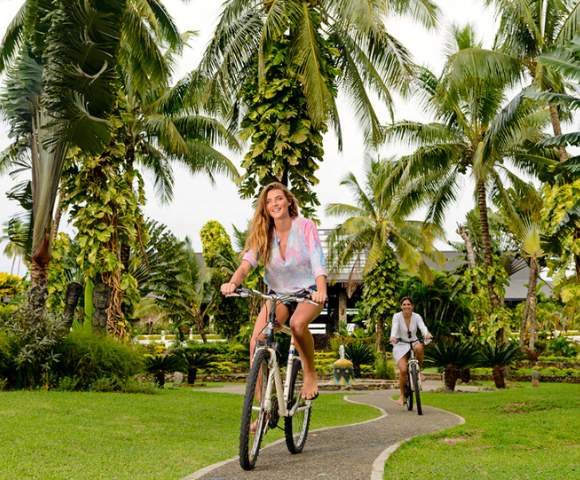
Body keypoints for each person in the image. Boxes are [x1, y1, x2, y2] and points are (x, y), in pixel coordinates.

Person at [220, 182, 327, 400]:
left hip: (309, 291)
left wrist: (321, 290)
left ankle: (309, 373)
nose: (274, 204)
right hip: (278, 294)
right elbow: (246, 264)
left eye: (278, 198)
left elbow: (317, 260)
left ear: (288, 201)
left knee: (297, 325)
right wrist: (232, 283)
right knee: (257, 341)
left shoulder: (305, 226)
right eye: (268, 201)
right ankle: (261, 409)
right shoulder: (264, 234)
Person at [389, 297, 432, 406]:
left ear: (412, 306)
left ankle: (419, 371)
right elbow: (394, 327)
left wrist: (426, 334)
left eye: (408, 304)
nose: (406, 306)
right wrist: (393, 336)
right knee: (403, 370)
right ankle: (402, 396)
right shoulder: (397, 316)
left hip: (413, 342)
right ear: (401, 306)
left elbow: (423, 327)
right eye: (404, 304)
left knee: (419, 347)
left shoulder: (417, 316)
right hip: (400, 344)